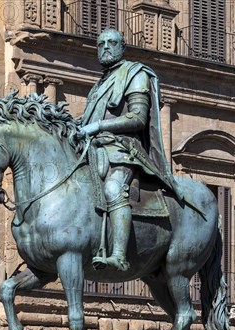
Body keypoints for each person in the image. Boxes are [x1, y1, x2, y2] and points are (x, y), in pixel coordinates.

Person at [76, 28, 181, 272]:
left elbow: (138, 118)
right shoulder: (98, 85)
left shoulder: (135, 74)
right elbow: (89, 120)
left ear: (122, 46)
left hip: (123, 150)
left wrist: (98, 126)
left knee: (113, 189)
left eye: (112, 42)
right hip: (95, 149)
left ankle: (120, 255)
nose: (105, 47)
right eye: (100, 43)